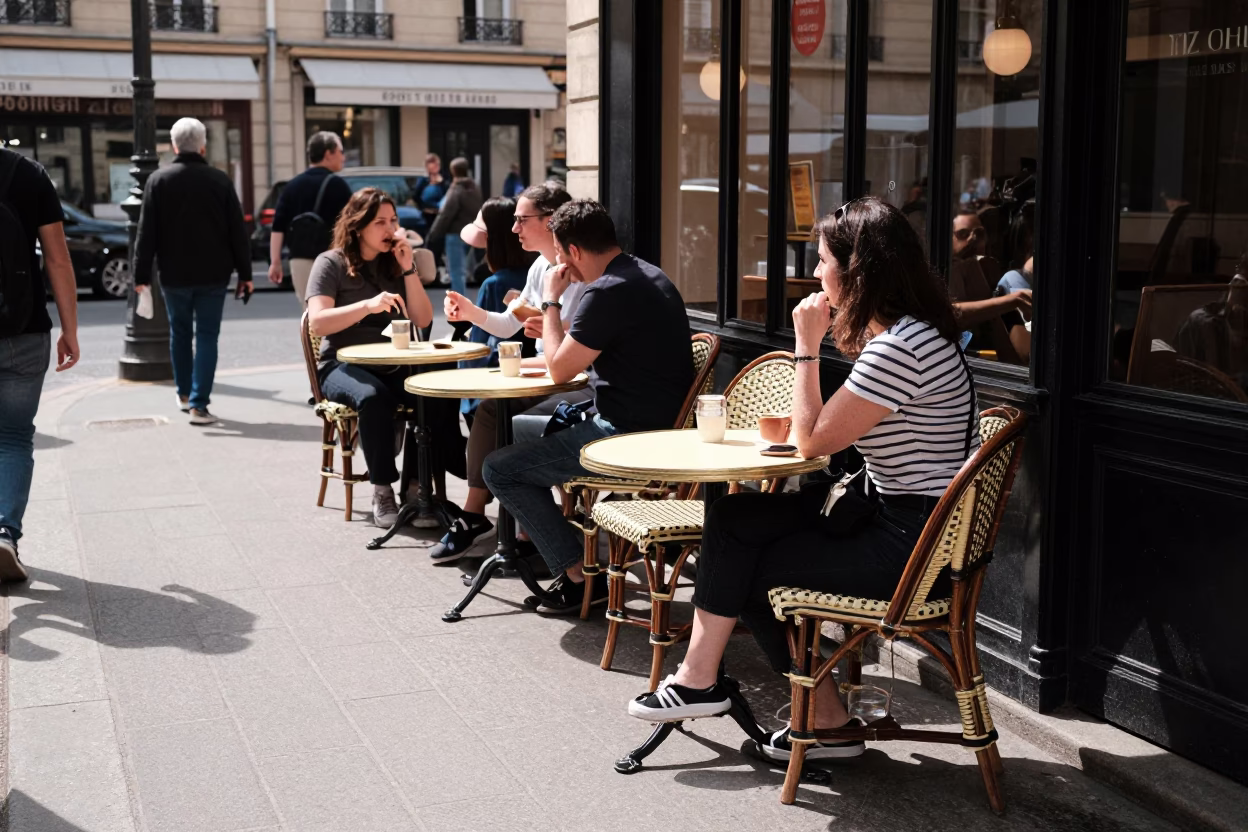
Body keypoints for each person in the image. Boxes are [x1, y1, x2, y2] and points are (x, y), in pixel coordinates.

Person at [626, 197, 979, 763]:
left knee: (750, 570)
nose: (815, 274)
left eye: (822, 262)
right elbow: (824, 433)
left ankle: (802, 714)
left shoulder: (900, 350)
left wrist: (806, 346)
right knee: (734, 518)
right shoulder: (912, 336)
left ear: (857, 271)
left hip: (910, 547)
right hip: (897, 519)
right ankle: (715, 685)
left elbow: (811, 442)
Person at [481, 199, 694, 613]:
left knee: (499, 470)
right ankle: (562, 540)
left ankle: (580, 577)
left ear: (574, 251)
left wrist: (552, 301)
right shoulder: (648, 273)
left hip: (628, 436)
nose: (559, 265)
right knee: (520, 427)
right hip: (656, 423)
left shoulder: (605, 292)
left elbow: (560, 369)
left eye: (560, 255)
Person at [433, 181, 583, 562]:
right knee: (491, 409)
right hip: (548, 372)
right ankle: (500, 521)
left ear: (550, 221)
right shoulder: (540, 266)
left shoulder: (579, 270)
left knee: (502, 420)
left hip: (575, 379)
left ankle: (507, 523)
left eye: (521, 220)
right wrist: (470, 312)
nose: (514, 228)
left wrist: (552, 327)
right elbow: (509, 323)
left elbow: (583, 344)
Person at [305, 188, 434, 528]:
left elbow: (422, 319)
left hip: (391, 363)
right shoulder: (330, 263)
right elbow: (317, 322)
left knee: (432, 393)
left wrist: (408, 269)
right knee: (373, 398)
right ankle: (382, 488)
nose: (390, 229)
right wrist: (367, 305)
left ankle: (417, 488)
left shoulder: (396, 264)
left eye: (393, 221)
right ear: (358, 225)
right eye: (380, 222)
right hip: (340, 365)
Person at [133, 117, 251, 426]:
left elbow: (147, 233)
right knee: (208, 336)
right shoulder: (220, 180)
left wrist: (140, 275)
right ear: (202, 146)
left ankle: (184, 394)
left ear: (174, 146)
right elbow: (237, 231)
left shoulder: (158, 180)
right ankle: (199, 404)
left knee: (180, 332)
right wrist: (246, 274)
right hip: (214, 273)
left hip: (174, 273)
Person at [0, 147, 80, 581]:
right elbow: (57, 258)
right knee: (14, 437)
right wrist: (70, 329)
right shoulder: (29, 174)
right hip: (25, 328)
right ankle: (5, 532)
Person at [267, 131, 352, 304]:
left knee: (310, 312)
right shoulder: (338, 186)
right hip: (332, 257)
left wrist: (275, 262)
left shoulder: (292, 186)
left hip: (299, 258)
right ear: (328, 154)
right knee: (336, 310)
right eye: (340, 152)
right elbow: (353, 223)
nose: (343, 158)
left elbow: (278, 226)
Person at [426, 157, 483, 296]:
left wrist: (433, 233)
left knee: (456, 271)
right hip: (469, 233)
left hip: (454, 234)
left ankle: (459, 302)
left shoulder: (456, 188)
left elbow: (446, 214)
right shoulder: (474, 188)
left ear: (453, 171)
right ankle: (461, 299)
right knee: (462, 270)